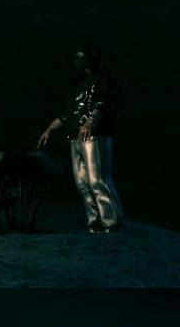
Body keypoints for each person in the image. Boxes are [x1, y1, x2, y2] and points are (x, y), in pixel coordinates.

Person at [37, 42, 124, 233]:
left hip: (94, 136)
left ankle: (110, 222)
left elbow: (104, 103)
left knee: (97, 180)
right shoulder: (78, 83)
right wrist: (49, 129)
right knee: (82, 183)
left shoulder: (103, 78)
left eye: (80, 56)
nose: (77, 60)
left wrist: (90, 122)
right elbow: (69, 112)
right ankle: (94, 221)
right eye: (75, 56)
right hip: (75, 137)